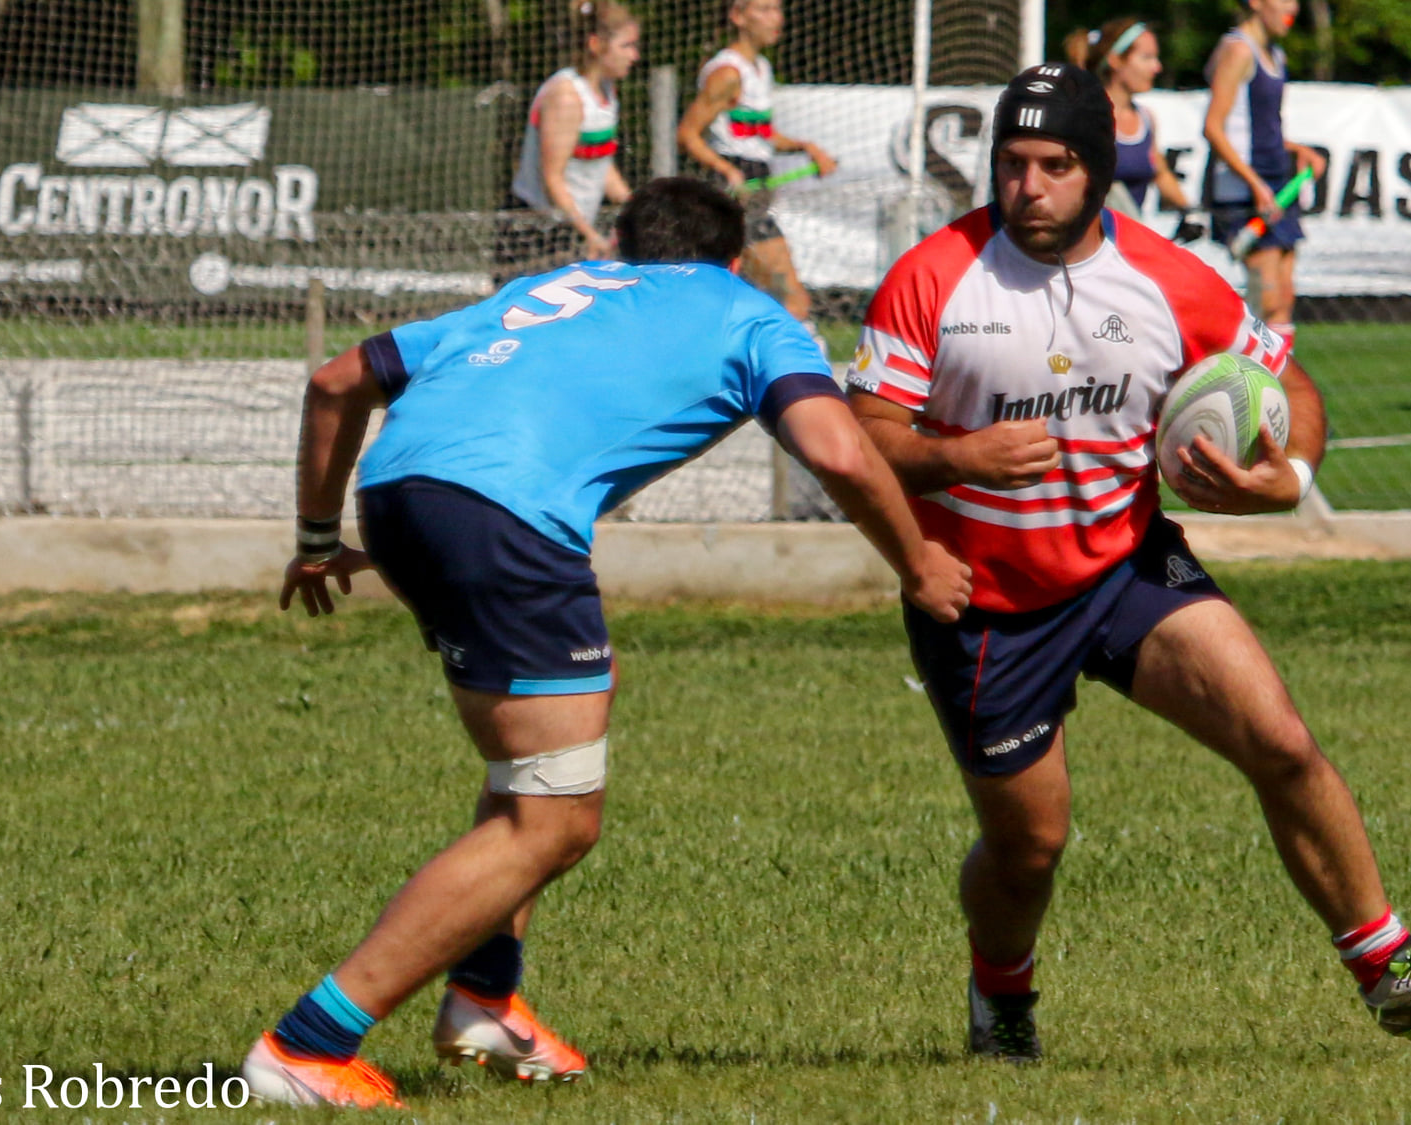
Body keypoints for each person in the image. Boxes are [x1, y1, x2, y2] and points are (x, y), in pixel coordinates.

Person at [239, 177, 971, 1108]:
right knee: (553, 820)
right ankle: (308, 1044)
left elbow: (337, 380)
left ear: (621, 248)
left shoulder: (546, 290)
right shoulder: (749, 312)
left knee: (534, 771)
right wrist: (917, 562)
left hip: (398, 496)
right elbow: (835, 450)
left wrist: (316, 540)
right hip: (503, 519)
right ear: (733, 259)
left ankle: (483, 995)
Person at [845, 63, 1411, 1063]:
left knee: (1281, 741)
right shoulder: (934, 275)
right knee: (1031, 846)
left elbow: (1290, 384)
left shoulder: (1168, 278)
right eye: (1013, 164)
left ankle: (1388, 968)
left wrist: (1289, 473)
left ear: (1097, 168)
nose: (1028, 186)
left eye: (1055, 165)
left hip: (1126, 565)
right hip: (983, 601)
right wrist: (957, 458)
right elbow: (858, 436)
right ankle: (1002, 994)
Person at [677, 0, 837, 338]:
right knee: (792, 300)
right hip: (734, 192)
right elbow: (688, 134)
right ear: (738, 16)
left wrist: (806, 147)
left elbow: (759, 134)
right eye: (764, 9)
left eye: (777, 9)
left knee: (741, 298)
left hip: (756, 187)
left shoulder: (761, 68)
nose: (775, 18)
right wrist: (728, 171)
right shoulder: (727, 73)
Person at [1202, 0, 1325, 352]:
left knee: (1284, 296)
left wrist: (1297, 150)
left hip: (1278, 183)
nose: (1293, 8)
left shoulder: (1276, 54)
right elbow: (1214, 128)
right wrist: (1254, 183)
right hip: (1245, 189)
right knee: (1266, 298)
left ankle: (1278, 377)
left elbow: (1260, 129)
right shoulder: (1239, 51)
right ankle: (1250, 377)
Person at [500, 0, 639, 276]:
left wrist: (638, 206)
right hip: (536, 233)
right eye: (626, 46)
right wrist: (589, 234)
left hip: (571, 229)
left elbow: (601, 164)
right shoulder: (566, 95)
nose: (634, 56)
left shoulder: (607, 91)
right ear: (596, 44)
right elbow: (552, 179)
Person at [1079, 18, 1203, 242]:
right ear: (1115, 60)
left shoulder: (1146, 118)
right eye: (1147, 57)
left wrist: (1191, 210)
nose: (1157, 67)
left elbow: (1160, 172)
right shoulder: (1086, 118)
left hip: (1126, 243)